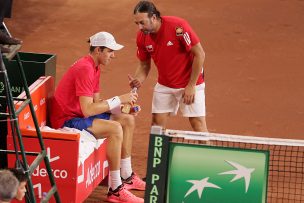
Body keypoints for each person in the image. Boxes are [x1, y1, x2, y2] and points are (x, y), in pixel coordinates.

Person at [50, 31, 145, 203]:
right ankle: (115, 189)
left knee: (127, 119)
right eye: (110, 51)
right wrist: (119, 99)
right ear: (98, 50)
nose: (113, 56)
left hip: (79, 113)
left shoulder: (94, 66)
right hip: (66, 120)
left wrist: (122, 109)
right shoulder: (85, 68)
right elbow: (88, 110)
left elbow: (97, 102)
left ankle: (127, 176)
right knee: (115, 129)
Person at [130, 0, 208, 132]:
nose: (139, 27)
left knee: (198, 125)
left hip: (189, 83)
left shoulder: (178, 27)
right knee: (156, 126)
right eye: (137, 23)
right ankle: (158, 154)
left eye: (142, 22)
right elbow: (144, 65)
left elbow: (200, 54)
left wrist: (191, 85)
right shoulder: (142, 37)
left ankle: (208, 153)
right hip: (165, 84)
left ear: (153, 17)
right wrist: (138, 81)